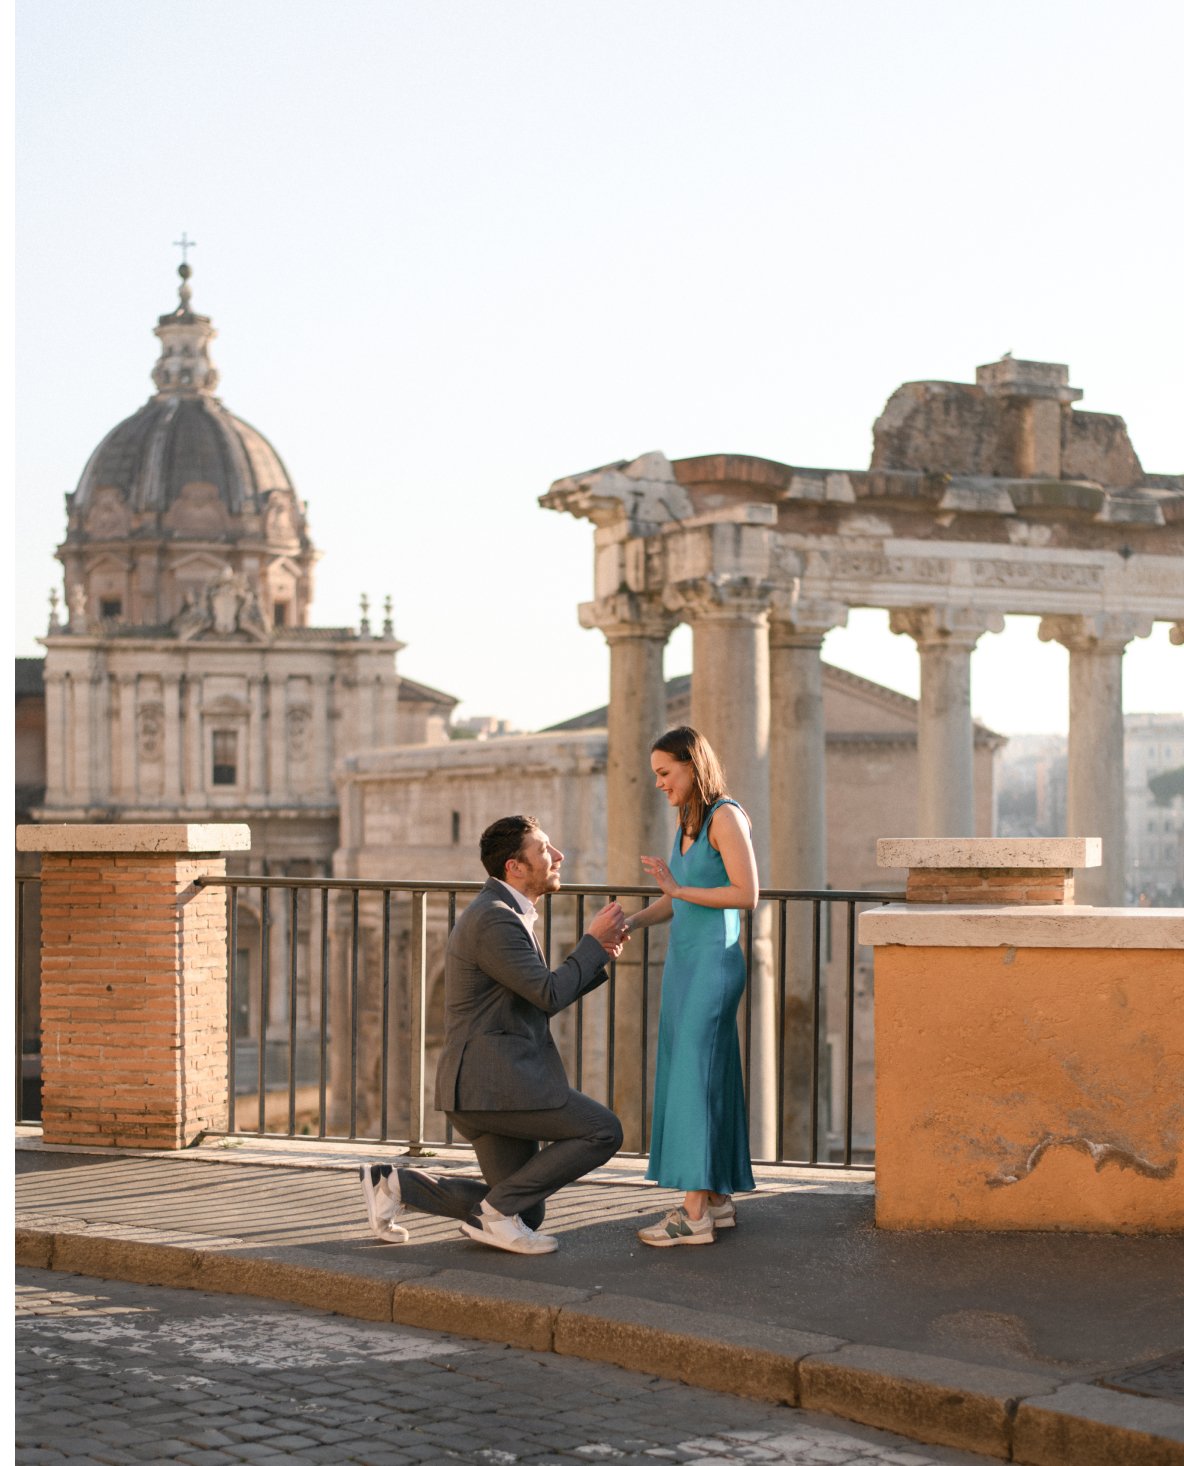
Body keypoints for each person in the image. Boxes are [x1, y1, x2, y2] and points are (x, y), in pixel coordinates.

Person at [359, 814, 629, 1256]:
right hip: (492, 1087)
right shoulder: (495, 920)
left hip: (488, 1085)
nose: (558, 856)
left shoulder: (501, 913)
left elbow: (537, 991)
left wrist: (596, 955)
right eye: (544, 849)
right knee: (602, 1131)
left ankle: (394, 1184)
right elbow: (547, 994)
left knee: (528, 1211)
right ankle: (493, 1215)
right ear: (514, 867)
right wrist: (591, 944)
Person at [624, 726, 758, 1246]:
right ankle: (719, 1200)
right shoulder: (687, 820)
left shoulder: (725, 816)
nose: (658, 782)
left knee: (693, 1080)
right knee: (706, 1076)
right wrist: (631, 923)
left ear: (692, 765)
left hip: (715, 966)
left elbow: (746, 894)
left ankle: (693, 1215)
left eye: (665, 772)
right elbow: (679, 899)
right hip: (684, 965)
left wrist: (680, 889)